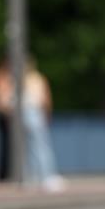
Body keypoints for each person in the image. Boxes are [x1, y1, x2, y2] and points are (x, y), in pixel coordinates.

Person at [22, 57, 66, 192]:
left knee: (29, 147)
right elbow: (45, 98)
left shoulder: (21, 79)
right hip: (34, 111)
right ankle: (47, 176)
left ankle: (33, 177)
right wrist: (47, 113)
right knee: (42, 145)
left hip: (23, 112)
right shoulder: (37, 78)